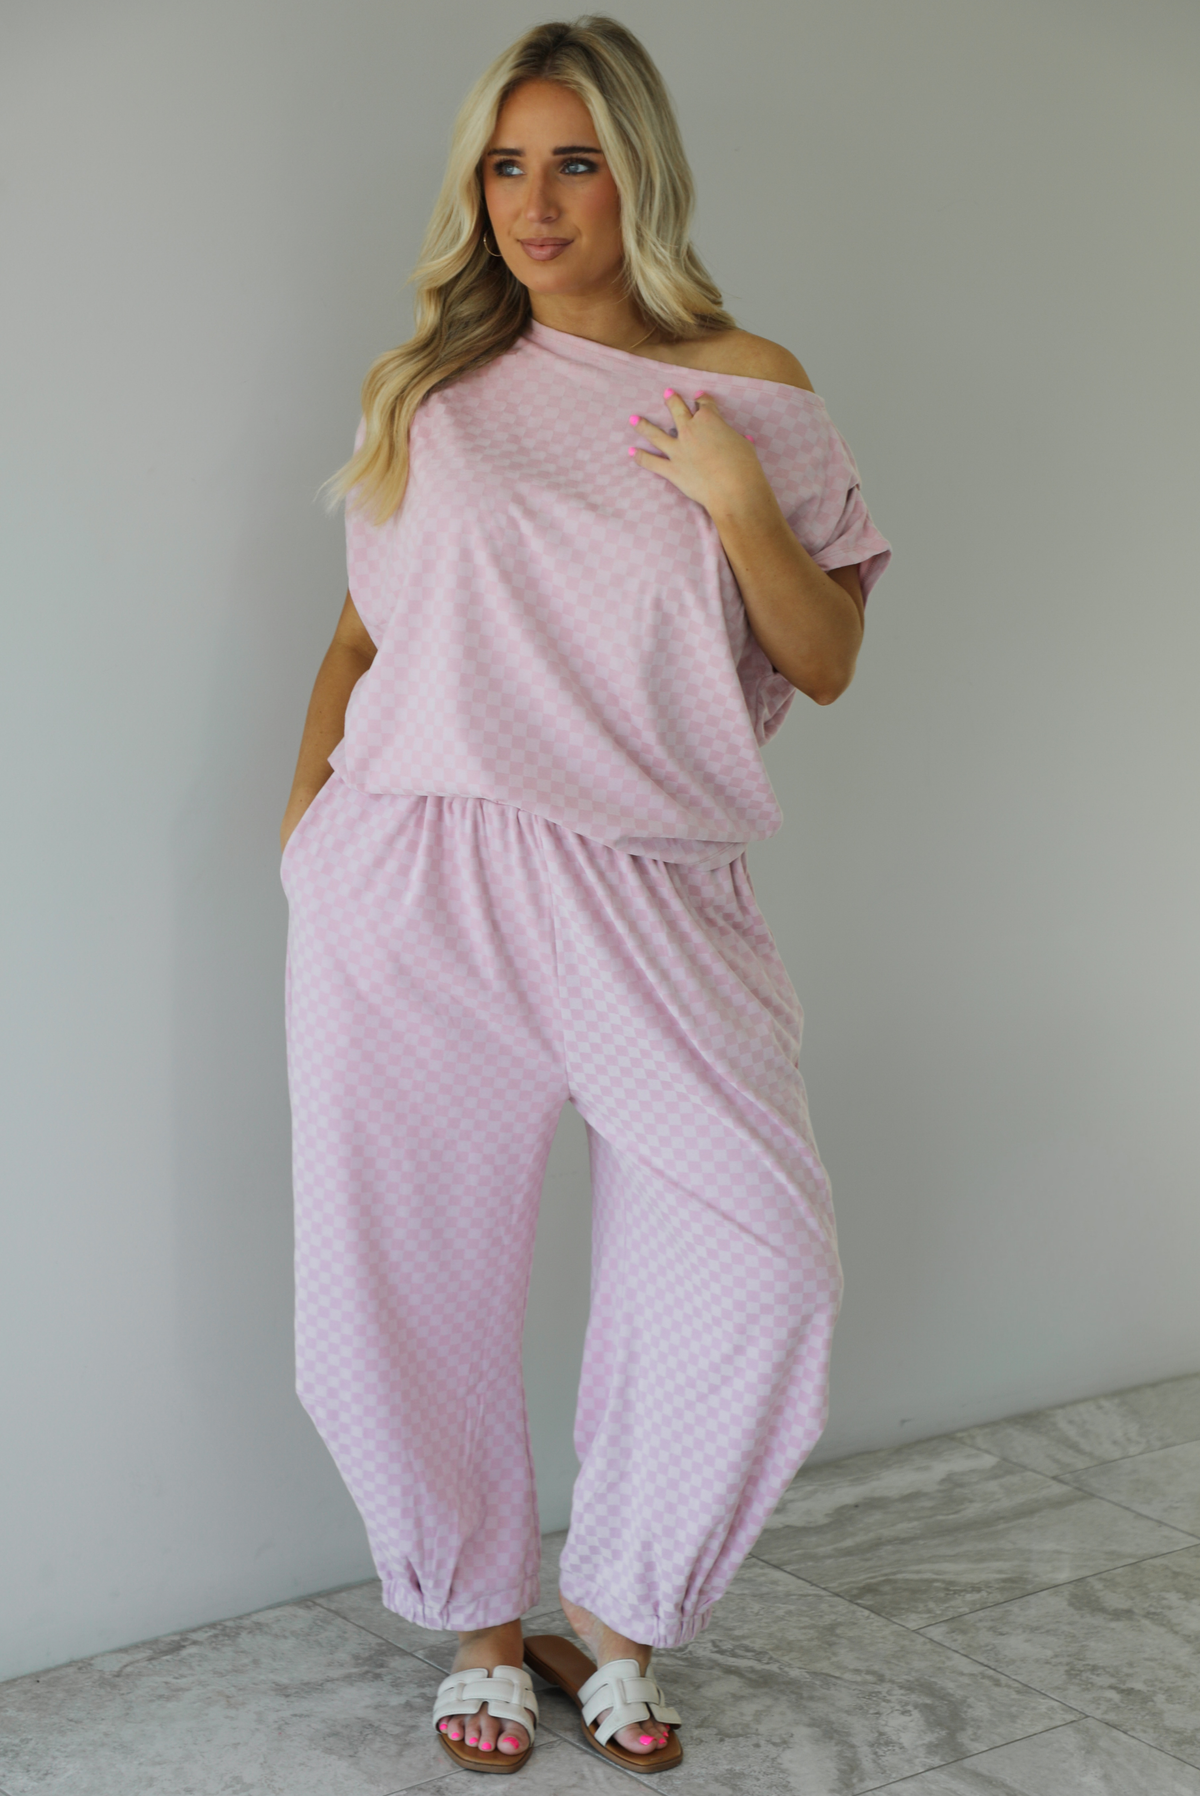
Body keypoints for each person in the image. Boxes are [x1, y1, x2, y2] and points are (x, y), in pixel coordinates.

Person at [281, 14, 890, 1777]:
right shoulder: (435, 392)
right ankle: (480, 1621)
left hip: (647, 877)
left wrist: (731, 499)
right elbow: (359, 635)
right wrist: (311, 830)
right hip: (417, 871)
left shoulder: (746, 387)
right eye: (504, 162)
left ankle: (612, 1617)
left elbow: (828, 656)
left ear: (640, 169)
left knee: (759, 1251)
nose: (535, 200)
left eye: (574, 159)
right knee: (400, 1263)